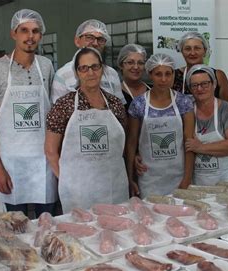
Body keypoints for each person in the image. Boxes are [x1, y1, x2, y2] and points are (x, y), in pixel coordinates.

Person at [0, 9, 56, 216]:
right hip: (10, 164)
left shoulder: (47, 66)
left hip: (43, 163)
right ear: (14, 33)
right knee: (15, 229)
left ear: (41, 35)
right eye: (24, 30)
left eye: (35, 31)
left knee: (46, 226)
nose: (30, 36)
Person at [45, 47, 128, 213]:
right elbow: (50, 150)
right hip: (78, 193)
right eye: (84, 68)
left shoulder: (115, 104)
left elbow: (121, 145)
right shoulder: (64, 105)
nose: (90, 72)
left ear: (102, 69)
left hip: (113, 187)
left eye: (95, 67)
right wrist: (67, 181)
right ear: (77, 73)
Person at [126, 53, 195, 198]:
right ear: (150, 74)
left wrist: (187, 179)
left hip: (178, 175)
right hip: (149, 178)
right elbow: (132, 141)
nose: (163, 79)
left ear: (173, 75)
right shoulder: (139, 104)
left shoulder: (183, 102)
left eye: (168, 74)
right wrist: (130, 177)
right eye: (158, 74)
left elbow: (189, 142)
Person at [184, 65, 228, 185]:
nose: (200, 89)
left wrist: (200, 148)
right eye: (195, 85)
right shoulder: (187, 111)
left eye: (204, 84)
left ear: (214, 84)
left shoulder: (227, 110)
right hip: (198, 180)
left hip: (227, 179)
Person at [51, 19, 125, 104]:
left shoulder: (111, 74)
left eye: (100, 39)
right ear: (77, 41)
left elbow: (120, 109)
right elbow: (57, 113)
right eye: (89, 37)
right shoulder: (63, 75)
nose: (95, 43)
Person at [172, 32, 228, 101]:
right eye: (188, 49)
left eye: (197, 48)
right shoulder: (173, 76)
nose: (192, 53)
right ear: (182, 51)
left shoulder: (218, 76)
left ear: (205, 51)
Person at [117, 44, 150, 112]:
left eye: (140, 63)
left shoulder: (153, 91)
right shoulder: (116, 93)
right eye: (130, 62)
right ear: (121, 65)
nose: (136, 67)